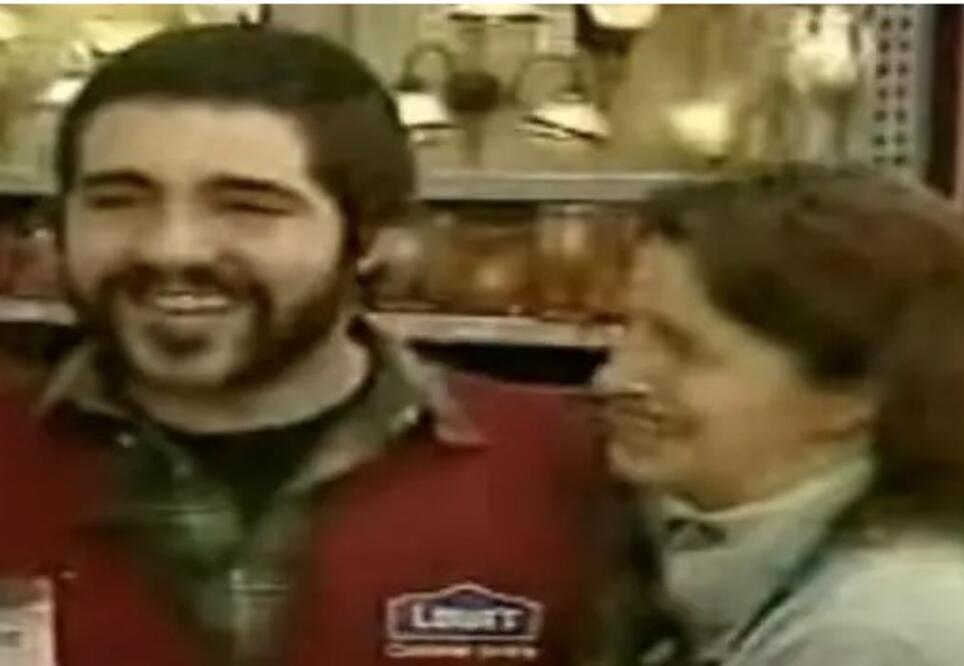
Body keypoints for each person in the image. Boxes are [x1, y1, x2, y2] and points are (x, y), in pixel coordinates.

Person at [0, 25, 606, 666]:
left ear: (373, 236)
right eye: (119, 201)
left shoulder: (567, 473)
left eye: (247, 207)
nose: (172, 248)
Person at [594, 165, 964, 666]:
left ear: (856, 397)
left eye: (684, 349)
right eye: (625, 329)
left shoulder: (873, 635)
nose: (612, 378)